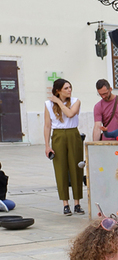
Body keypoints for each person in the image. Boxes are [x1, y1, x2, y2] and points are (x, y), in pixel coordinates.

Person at [44, 78, 85, 216]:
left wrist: (59, 102)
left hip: (73, 133)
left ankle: (77, 203)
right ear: (58, 90)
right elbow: (47, 125)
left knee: (76, 167)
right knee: (60, 168)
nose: (69, 90)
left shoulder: (75, 101)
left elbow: (70, 114)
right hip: (58, 135)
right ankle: (65, 203)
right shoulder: (48, 104)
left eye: (70, 87)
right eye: (66, 88)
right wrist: (47, 145)